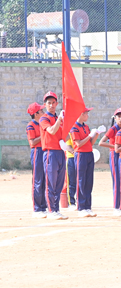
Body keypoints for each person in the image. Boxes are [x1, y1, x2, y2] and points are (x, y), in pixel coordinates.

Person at [38, 92, 68, 220]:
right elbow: (51, 131)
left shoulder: (59, 118)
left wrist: (66, 144)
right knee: (51, 182)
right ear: (45, 105)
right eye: (49, 103)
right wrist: (60, 120)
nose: (51, 105)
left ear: (57, 103)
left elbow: (65, 134)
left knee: (59, 183)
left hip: (60, 152)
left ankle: (56, 209)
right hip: (50, 152)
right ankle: (51, 210)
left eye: (53, 102)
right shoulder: (44, 118)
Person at [68, 107, 101, 218]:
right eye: (86, 113)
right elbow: (78, 144)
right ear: (81, 114)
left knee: (89, 181)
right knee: (81, 180)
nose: (87, 115)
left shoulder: (86, 127)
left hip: (89, 153)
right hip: (80, 154)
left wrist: (97, 134)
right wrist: (89, 135)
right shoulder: (74, 128)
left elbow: (90, 143)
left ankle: (87, 206)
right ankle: (81, 207)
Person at [98, 108, 121, 216]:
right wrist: (115, 147)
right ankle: (116, 206)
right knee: (117, 180)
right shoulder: (113, 129)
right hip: (115, 154)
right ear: (115, 118)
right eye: (119, 116)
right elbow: (101, 142)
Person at [25, 103, 46, 217]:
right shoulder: (31, 125)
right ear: (36, 114)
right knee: (38, 180)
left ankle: (43, 206)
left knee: (45, 180)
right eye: (41, 111)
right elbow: (32, 142)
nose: (43, 112)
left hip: (44, 150)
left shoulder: (42, 124)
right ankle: (37, 209)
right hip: (37, 152)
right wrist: (44, 135)